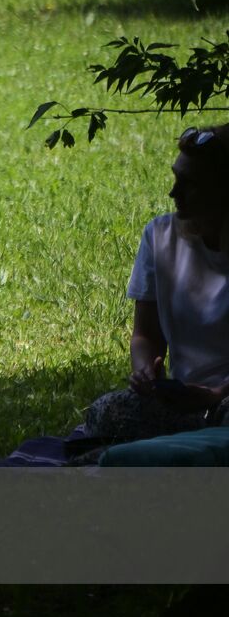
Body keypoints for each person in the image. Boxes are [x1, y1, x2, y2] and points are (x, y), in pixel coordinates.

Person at [84, 124, 229, 443]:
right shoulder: (160, 237)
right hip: (184, 405)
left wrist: (215, 395)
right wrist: (146, 373)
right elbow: (145, 334)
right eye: (176, 178)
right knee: (106, 413)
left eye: (189, 184)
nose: (173, 193)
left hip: (223, 402)